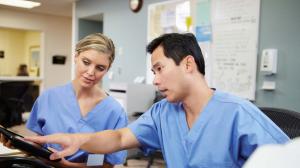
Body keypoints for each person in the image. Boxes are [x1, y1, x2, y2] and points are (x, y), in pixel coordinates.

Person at [25, 33, 289, 168]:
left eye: (159, 69)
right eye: (153, 72)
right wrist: (79, 140)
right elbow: (118, 139)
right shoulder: (163, 112)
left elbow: (289, 161)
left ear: (187, 64)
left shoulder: (237, 113)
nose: (155, 80)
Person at [1, 33, 128, 168]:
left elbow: (107, 164)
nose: (91, 72)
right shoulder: (48, 97)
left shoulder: (115, 112)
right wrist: (18, 143)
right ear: (75, 56)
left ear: (107, 69)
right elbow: (40, 144)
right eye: (86, 62)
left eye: (100, 68)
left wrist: (67, 166)